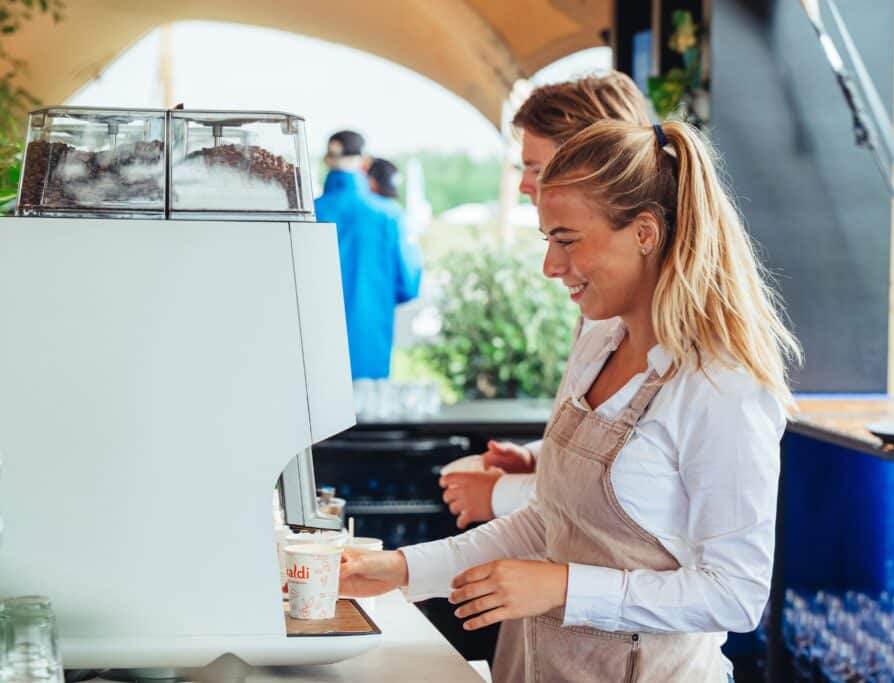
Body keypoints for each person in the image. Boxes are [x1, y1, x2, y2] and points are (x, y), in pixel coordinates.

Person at [340, 119, 801, 682]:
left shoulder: (720, 385)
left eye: (567, 240)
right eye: (547, 241)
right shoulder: (599, 345)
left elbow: (735, 594)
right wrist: (399, 568)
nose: (550, 267)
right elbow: (547, 524)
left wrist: (561, 586)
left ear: (645, 233)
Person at [440, 72, 654, 532]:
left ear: (588, 159)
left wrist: (500, 495)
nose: (551, 268)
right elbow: (610, 444)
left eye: (535, 168)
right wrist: (538, 456)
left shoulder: (629, 311)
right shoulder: (605, 307)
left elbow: (633, 487)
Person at [315, 131, 422, 379]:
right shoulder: (389, 215)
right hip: (369, 345)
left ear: (326, 160)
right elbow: (408, 285)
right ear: (365, 161)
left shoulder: (308, 214)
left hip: (314, 345)